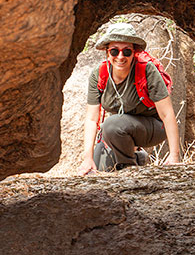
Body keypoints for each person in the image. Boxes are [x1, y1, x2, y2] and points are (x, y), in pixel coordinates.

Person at [77, 23, 181, 175]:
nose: (120, 57)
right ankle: (138, 158)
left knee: (111, 125)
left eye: (126, 51)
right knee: (98, 167)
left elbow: (167, 114)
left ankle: (130, 171)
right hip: (119, 130)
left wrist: (174, 156)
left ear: (134, 52)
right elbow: (92, 119)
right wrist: (87, 158)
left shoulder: (146, 70)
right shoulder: (99, 74)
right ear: (107, 52)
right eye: (114, 51)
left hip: (154, 127)